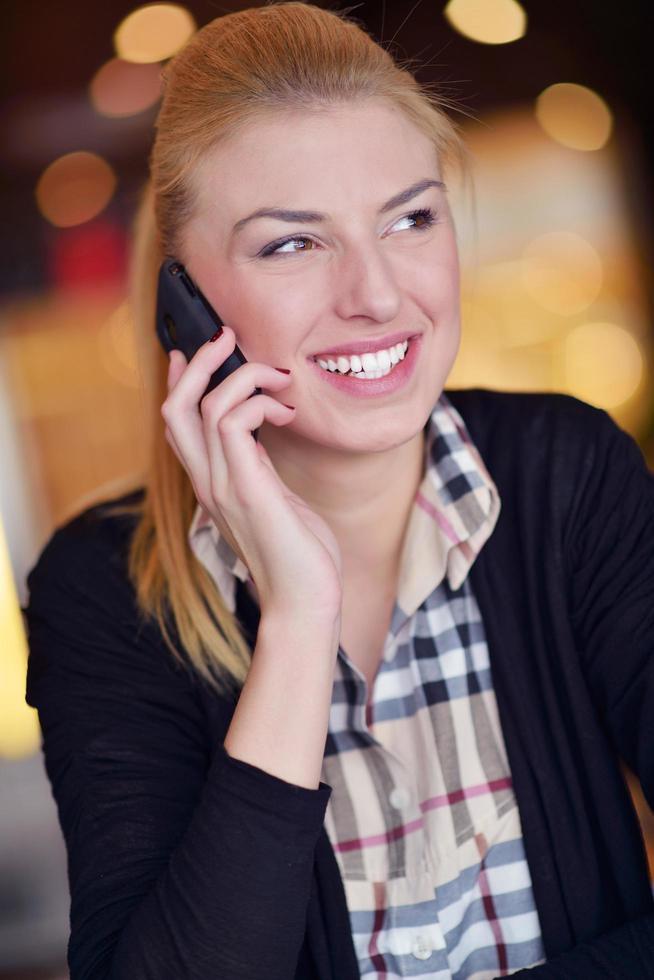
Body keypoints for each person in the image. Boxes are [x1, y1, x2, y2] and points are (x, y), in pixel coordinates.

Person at [23, 3, 654, 978]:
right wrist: (298, 619)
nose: (377, 293)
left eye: (409, 218)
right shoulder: (104, 588)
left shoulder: (568, 474)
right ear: (182, 303)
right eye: (293, 244)